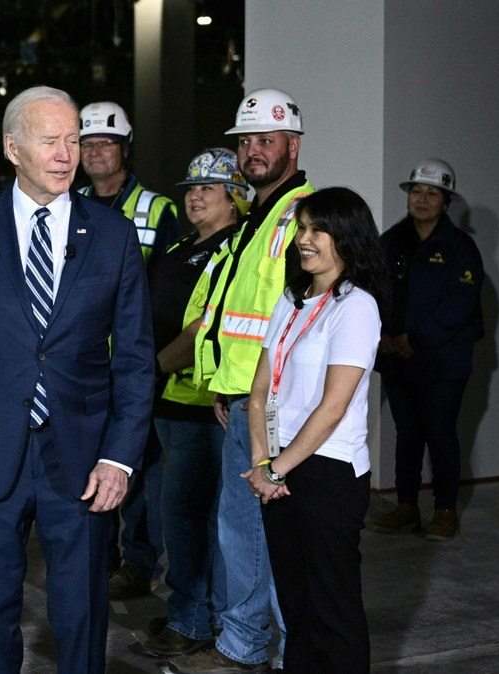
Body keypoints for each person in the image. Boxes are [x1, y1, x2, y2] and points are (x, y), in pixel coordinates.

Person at [0, 85, 154, 673]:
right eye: (51, 141)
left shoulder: (114, 235)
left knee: (82, 610)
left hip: (85, 459)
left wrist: (120, 459)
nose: (67, 154)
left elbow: (138, 360)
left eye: (73, 139)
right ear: (12, 147)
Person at [165, 88, 314, 674]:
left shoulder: (302, 214)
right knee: (243, 535)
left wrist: (256, 394)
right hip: (241, 400)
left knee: (272, 534)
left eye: (265, 140)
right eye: (246, 141)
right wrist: (230, 387)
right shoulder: (259, 216)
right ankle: (243, 645)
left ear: (292, 146)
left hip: (270, 406)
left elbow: (299, 314)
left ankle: (286, 655)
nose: (253, 151)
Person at [245, 187, 386, 673]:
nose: (305, 239)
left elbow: (333, 406)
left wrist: (277, 469)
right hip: (282, 468)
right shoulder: (292, 299)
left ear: (346, 237)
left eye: (316, 229)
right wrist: (263, 462)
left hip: (329, 473)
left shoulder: (357, 307)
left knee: (333, 609)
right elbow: (260, 390)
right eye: (301, 228)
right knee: (296, 606)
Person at [134, 148, 248, 659]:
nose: (194, 195)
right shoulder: (185, 245)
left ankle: (195, 620)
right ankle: (194, 610)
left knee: (188, 513)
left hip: (201, 401)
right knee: (181, 513)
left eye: (208, 188)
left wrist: (154, 366)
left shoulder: (232, 250)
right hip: (168, 399)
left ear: (236, 199)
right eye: (191, 187)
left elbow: (207, 325)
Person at [76, 100, 180, 600]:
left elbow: (170, 293)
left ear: (125, 150)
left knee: (134, 468)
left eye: (106, 144)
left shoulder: (158, 211)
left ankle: (137, 563)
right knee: (83, 461)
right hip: (81, 366)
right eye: (88, 144)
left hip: (134, 365)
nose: (96, 153)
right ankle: (100, 557)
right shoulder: (67, 203)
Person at [373, 159, 484, 540]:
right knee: (407, 434)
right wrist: (384, 336)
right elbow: (373, 292)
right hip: (397, 360)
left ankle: (445, 510)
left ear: (445, 201)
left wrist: (411, 339)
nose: (421, 199)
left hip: (443, 362)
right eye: (416, 191)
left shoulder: (460, 248)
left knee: (440, 433)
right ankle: (406, 507)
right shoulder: (390, 241)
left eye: (431, 193)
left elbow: (459, 305)